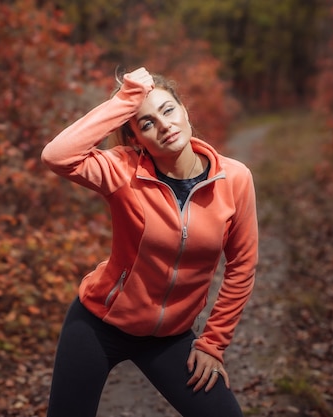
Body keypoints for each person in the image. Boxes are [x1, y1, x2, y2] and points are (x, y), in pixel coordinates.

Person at [41, 67, 258, 417]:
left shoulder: (234, 179)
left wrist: (213, 343)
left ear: (184, 110)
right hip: (99, 324)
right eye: (146, 124)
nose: (164, 126)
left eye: (168, 110)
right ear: (136, 139)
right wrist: (126, 99)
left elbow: (242, 266)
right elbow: (57, 156)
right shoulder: (123, 171)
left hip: (170, 336)